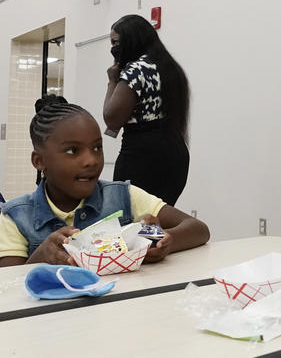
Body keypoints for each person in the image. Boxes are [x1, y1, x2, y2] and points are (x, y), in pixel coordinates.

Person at [0, 95, 209, 267]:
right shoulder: (15, 217)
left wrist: (160, 240)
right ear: (39, 161)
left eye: (97, 148)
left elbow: (199, 229)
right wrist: (39, 259)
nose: (91, 160)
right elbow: (9, 287)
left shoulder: (123, 195)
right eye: (73, 151)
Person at [104, 14, 190, 206]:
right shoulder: (170, 68)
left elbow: (112, 118)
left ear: (131, 41)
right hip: (175, 153)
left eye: (116, 43)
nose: (113, 49)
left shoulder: (137, 69)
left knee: (131, 220)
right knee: (159, 219)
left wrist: (112, 81)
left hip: (142, 155)